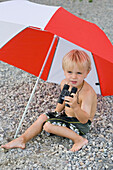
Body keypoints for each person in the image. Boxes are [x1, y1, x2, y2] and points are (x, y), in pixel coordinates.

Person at [1, 49, 97, 152]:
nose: (73, 76)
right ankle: (22, 139)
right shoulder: (65, 83)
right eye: (69, 72)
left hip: (80, 124)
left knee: (48, 125)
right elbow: (62, 102)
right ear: (64, 71)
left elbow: (84, 120)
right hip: (67, 116)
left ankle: (79, 140)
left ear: (86, 73)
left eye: (79, 73)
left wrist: (75, 107)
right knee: (43, 117)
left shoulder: (87, 93)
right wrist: (55, 113)